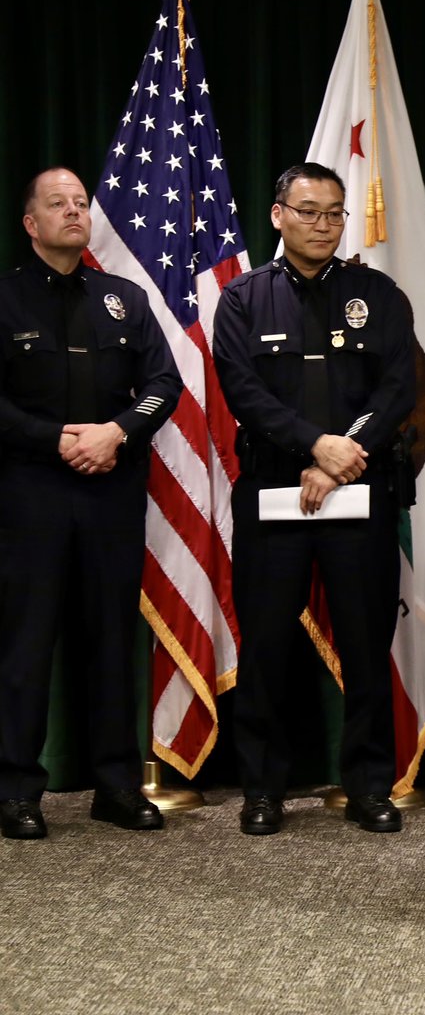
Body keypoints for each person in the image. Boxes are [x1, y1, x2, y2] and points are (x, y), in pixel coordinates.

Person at [213, 162, 416, 836]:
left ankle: (367, 786)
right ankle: (263, 790)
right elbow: (244, 393)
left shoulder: (377, 294)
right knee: (266, 648)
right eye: (308, 212)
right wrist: (313, 446)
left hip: (360, 490)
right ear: (278, 216)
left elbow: (397, 389)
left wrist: (339, 456)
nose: (323, 225)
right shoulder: (243, 299)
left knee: (365, 647)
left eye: (334, 213)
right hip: (273, 492)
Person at [0, 167, 182, 839]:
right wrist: (56, 439)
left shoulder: (124, 300)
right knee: (26, 641)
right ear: (31, 223)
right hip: (31, 493)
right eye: (58, 203)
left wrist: (118, 431)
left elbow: (165, 384)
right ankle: (17, 789)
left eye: (81, 203)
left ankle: (115, 785)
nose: (74, 212)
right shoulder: (7, 299)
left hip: (111, 489)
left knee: (111, 638)